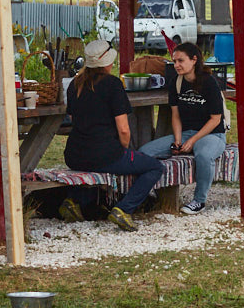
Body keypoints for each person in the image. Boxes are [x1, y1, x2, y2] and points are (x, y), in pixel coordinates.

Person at [63, 39, 163, 231]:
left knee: (98, 166)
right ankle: (124, 208)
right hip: (104, 153)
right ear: (108, 61)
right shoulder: (113, 84)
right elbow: (124, 129)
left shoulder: (75, 84)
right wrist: (123, 150)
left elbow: (73, 118)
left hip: (74, 154)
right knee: (155, 167)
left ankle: (75, 201)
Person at [140, 42, 227, 215]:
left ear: (194, 60)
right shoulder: (176, 83)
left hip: (212, 134)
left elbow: (215, 119)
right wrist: (178, 140)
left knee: (203, 155)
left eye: (181, 61)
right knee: (144, 151)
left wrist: (193, 141)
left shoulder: (208, 82)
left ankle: (199, 201)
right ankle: (146, 195)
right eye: (174, 61)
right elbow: (176, 115)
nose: (176, 65)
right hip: (187, 133)